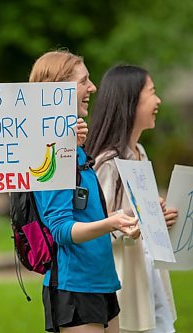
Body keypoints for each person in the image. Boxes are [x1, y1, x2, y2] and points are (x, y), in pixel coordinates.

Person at [29, 50, 138, 333]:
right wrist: (110, 223)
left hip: (101, 280)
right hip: (73, 286)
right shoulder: (48, 151)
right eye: (84, 81)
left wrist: (122, 219)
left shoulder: (75, 149)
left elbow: (87, 214)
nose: (93, 88)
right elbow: (62, 230)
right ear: (58, 90)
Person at [86, 64, 178, 333]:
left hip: (151, 274)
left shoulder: (139, 151)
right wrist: (134, 223)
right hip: (125, 282)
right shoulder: (107, 164)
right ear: (131, 100)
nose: (158, 100)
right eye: (152, 92)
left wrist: (158, 218)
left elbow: (139, 217)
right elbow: (96, 229)